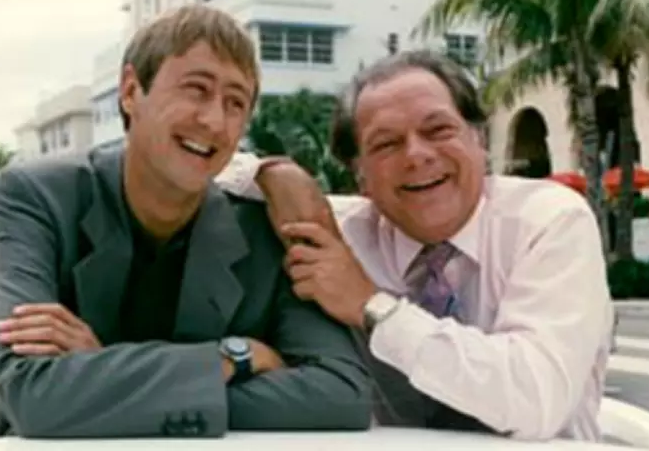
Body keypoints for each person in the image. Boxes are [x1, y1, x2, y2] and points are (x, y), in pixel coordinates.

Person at [0, 5, 371, 439]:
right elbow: (33, 394)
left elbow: (341, 395)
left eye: (235, 103)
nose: (214, 121)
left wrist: (100, 373)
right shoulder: (41, 197)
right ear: (131, 91)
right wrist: (234, 359)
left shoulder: (269, 226)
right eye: (196, 90)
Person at [217, 49, 614, 441]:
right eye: (386, 144)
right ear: (360, 176)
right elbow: (199, 160)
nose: (417, 156)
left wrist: (371, 307)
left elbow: (535, 399)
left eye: (438, 130)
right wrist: (276, 172)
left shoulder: (548, 221)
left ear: (479, 140)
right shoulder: (340, 233)